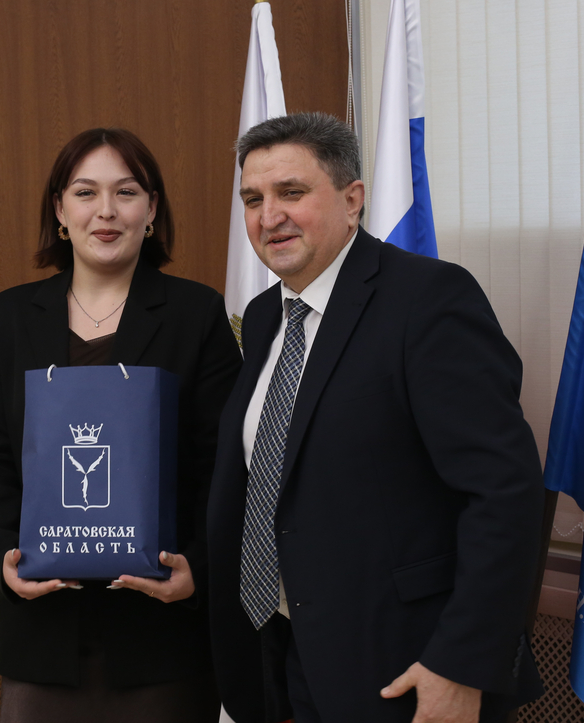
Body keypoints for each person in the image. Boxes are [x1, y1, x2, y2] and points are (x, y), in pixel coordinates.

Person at [207, 113, 544, 723]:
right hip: (287, 654)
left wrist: (461, 664)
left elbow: (503, 493)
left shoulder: (428, 299)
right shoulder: (262, 318)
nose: (269, 216)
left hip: (408, 666)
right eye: (253, 200)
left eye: (291, 192)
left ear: (352, 199)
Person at [0, 128, 242, 723]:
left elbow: (224, 463)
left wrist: (197, 566)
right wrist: (6, 552)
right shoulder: (10, 316)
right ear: (60, 211)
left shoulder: (195, 313)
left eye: (127, 192)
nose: (106, 211)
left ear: (152, 210)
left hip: (159, 636)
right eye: (86, 192)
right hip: (42, 632)